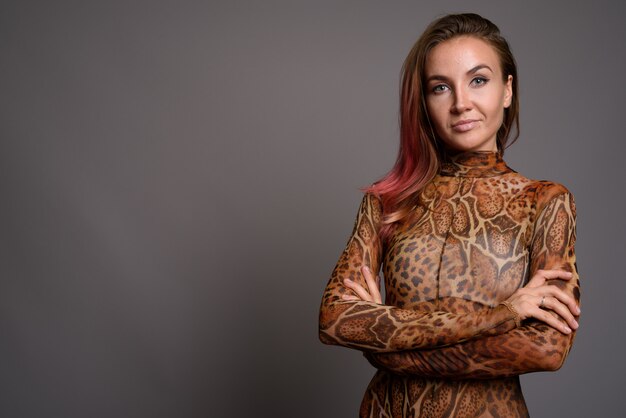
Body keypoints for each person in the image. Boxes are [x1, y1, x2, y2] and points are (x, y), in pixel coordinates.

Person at [318, 13, 580, 418]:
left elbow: (545, 350)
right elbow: (335, 321)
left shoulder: (544, 201)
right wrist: (503, 315)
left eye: (479, 80)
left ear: (507, 90)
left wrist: (386, 346)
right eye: (440, 87)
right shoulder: (386, 202)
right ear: (424, 102)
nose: (461, 103)